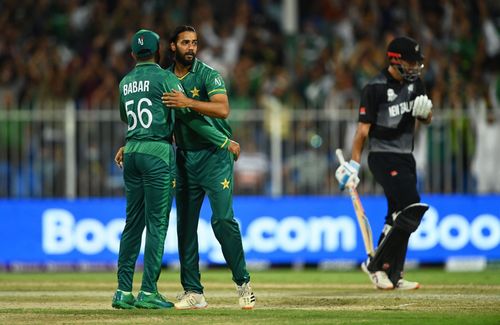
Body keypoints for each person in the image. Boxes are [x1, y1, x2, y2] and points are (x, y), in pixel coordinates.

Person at [112, 29, 239, 310]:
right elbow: (188, 119)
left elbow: (127, 118)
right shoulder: (166, 78)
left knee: (132, 223)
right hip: (157, 153)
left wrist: (129, 143)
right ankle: (148, 292)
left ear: (133, 54)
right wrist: (223, 140)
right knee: (157, 224)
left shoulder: (124, 82)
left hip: (132, 152)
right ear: (159, 51)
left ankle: (122, 291)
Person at [161, 25, 256, 310]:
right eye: (185, 43)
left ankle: (243, 283)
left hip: (215, 157)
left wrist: (187, 102)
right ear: (172, 46)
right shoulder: (163, 79)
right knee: (185, 226)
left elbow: (222, 109)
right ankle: (193, 292)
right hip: (184, 159)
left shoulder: (207, 74)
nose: (191, 47)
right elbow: (159, 120)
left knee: (222, 220)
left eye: (195, 43)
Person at [335, 36, 433, 290]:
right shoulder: (375, 87)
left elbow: (426, 118)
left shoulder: (417, 85)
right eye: (410, 63)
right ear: (395, 60)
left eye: (416, 63)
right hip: (381, 156)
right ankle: (378, 266)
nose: (414, 68)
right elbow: (362, 131)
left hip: (405, 156)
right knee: (411, 205)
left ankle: (390, 272)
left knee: (397, 215)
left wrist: (426, 115)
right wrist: (354, 163)